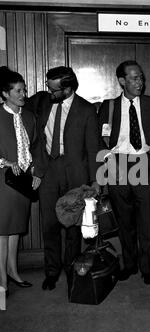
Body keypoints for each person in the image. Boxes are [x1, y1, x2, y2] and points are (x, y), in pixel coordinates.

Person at [26, 66, 100, 291]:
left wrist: (96, 180)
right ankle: (51, 272)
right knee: (48, 225)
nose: (48, 91)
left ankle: (71, 270)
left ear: (67, 89)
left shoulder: (86, 110)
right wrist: (37, 166)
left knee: (72, 228)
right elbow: (36, 137)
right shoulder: (43, 102)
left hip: (75, 174)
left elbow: (93, 146)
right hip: (48, 171)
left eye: (53, 88)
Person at [98, 60, 150, 284]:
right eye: (135, 78)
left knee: (146, 221)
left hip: (145, 163)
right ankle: (129, 264)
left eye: (141, 77)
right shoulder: (109, 106)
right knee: (125, 220)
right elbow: (98, 137)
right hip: (117, 166)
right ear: (122, 81)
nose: (141, 82)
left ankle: (147, 268)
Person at [0, 66, 42, 296]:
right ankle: (2, 282)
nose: (22, 94)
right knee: (1, 232)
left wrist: (36, 171)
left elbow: (34, 147)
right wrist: (5, 162)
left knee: (15, 229)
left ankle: (13, 273)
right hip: (3, 181)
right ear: (5, 94)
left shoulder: (29, 116)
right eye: (17, 91)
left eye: (23, 90)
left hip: (23, 182)